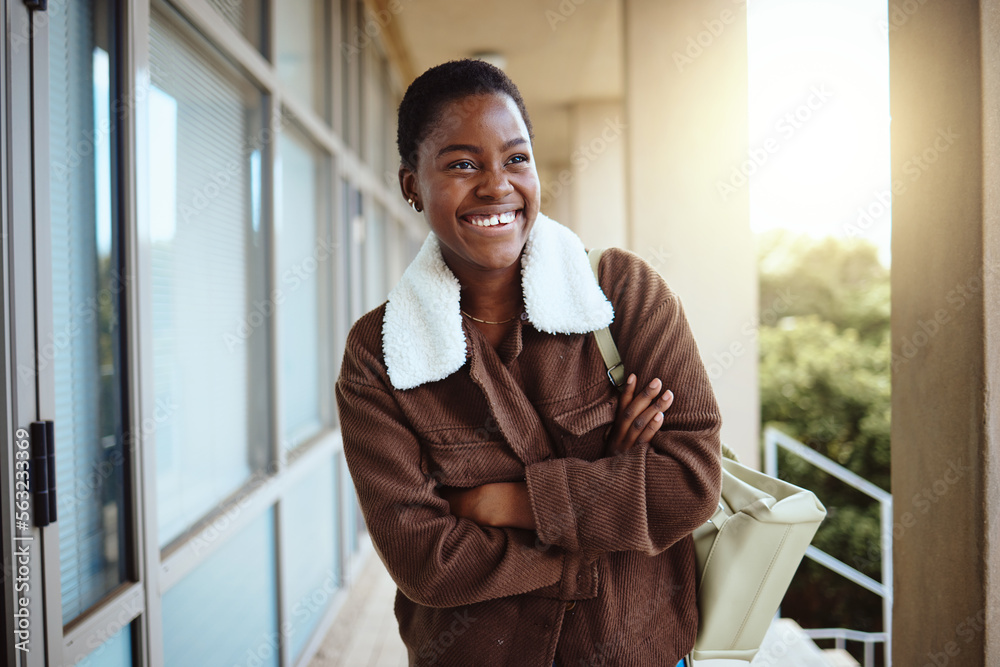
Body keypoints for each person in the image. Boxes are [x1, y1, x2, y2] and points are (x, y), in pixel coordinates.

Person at [335, 59, 722, 666]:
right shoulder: (378, 355)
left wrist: (507, 504)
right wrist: (609, 499)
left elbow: (691, 483)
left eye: (516, 158)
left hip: (633, 649)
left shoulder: (621, 293)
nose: (496, 185)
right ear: (412, 185)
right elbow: (426, 562)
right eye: (462, 164)